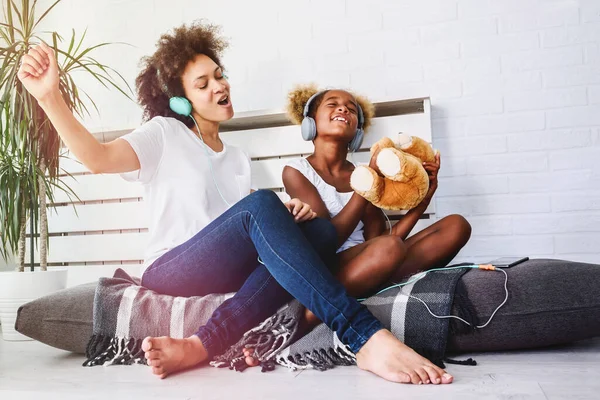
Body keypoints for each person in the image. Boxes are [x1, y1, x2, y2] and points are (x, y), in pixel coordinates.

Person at [18, 21, 453, 385]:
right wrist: (48, 97)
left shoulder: (238, 158)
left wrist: (287, 215)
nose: (220, 85)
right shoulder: (162, 134)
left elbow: (242, 223)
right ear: (179, 99)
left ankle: (202, 344)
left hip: (224, 268)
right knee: (264, 205)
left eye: (219, 74)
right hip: (172, 268)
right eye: (202, 83)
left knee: (316, 229)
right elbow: (96, 158)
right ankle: (362, 334)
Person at [281, 86, 472, 326]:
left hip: (376, 260)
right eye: (332, 104)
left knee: (456, 225)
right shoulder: (296, 171)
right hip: (330, 269)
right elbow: (326, 240)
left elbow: (382, 238)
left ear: (357, 132)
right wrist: (368, 182)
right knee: (388, 248)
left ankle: (367, 287)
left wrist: (423, 201)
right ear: (310, 122)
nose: (343, 109)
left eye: (351, 109)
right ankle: (313, 314)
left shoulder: (364, 172)